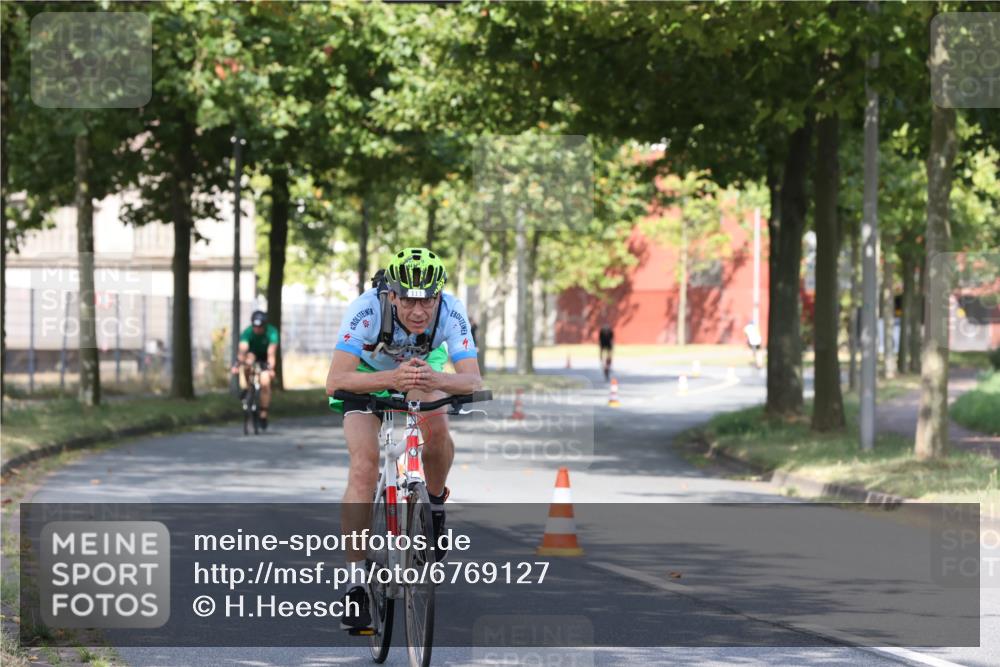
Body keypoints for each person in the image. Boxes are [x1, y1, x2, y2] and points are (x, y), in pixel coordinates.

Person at [326, 247, 481, 631]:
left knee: (437, 430)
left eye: (427, 300)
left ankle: (435, 507)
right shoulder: (366, 309)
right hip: (365, 378)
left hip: (422, 372)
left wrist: (438, 379)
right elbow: (336, 380)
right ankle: (357, 584)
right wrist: (389, 379)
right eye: (409, 301)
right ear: (391, 295)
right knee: (363, 467)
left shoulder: (451, 310)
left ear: (438, 296)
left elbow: (472, 380)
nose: (418, 311)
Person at [231, 310, 279, 430]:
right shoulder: (248, 332)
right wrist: (237, 364)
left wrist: (270, 369)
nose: (257, 329)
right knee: (247, 363)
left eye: (260, 327)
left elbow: (271, 353)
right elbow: (243, 350)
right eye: (255, 326)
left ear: (265, 325)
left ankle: (263, 414)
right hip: (252, 354)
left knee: (265, 382)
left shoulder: (272, 332)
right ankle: (248, 388)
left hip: (265, 357)